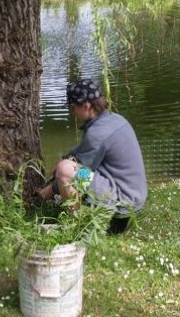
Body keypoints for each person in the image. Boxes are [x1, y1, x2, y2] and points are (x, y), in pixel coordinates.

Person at [37, 78, 147, 231]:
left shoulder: (96, 134)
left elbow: (77, 175)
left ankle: (75, 224)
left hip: (121, 208)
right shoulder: (115, 120)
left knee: (65, 170)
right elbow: (83, 149)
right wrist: (65, 157)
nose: (72, 112)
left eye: (73, 107)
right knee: (66, 164)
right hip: (134, 201)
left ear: (86, 106)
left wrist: (50, 190)